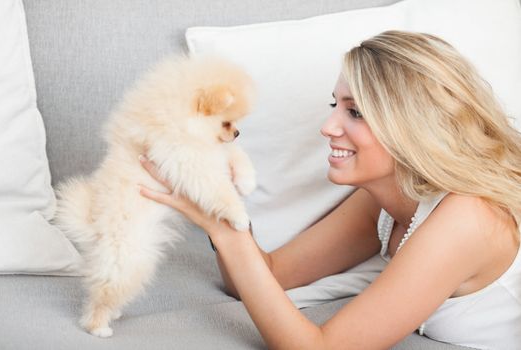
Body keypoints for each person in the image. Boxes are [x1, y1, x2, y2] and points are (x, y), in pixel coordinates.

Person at [138, 31, 521, 349]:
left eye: (354, 112)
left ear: (409, 126)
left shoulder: (468, 218)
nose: (328, 126)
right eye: (335, 104)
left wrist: (224, 230)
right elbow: (266, 275)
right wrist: (223, 203)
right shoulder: (387, 199)